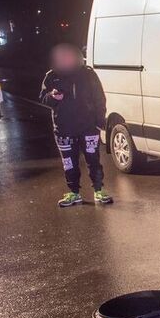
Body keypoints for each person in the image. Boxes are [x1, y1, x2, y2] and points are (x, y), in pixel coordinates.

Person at [39, 43, 113, 207]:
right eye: (62, 57)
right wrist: (52, 97)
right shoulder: (51, 76)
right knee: (69, 163)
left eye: (69, 56)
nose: (66, 60)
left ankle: (99, 191)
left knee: (93, 160)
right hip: (63, 129)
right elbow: (43, 98)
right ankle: (74, 193)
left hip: (89, 128)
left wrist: (99, 122)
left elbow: (100, 98)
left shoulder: (88, 74)